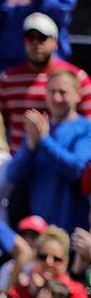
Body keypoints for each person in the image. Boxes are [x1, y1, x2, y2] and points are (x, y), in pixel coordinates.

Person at [6, 69, 91, 237]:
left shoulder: (85, 129)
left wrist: (44, 141)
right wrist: (30, 146)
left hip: (72, 231)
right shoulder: (39, 128)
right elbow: (13, 175)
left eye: (63, 92)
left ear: (77, 95)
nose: (57, 98)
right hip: (38, 231)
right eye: (52, 92)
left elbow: (79, 170)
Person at [0, 13, 91, 152]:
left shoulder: (77, 77)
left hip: (61, 163)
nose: (36, 44)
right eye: (30, 38)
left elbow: (88, 127)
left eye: (42, 38)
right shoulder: (8, 79)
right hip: (19, 162)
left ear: (56, 42)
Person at [6, 226, 91, 298]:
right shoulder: (17, 293)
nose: (49, 262)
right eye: (43, 256)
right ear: (34, 258)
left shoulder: (76, 290)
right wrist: (32, 295)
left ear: (65, 262)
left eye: (56, 259)